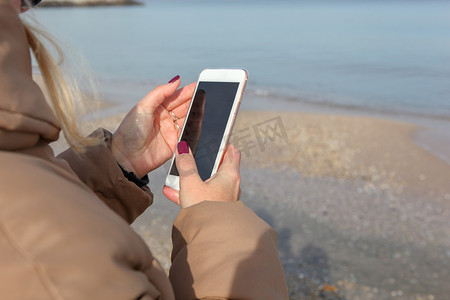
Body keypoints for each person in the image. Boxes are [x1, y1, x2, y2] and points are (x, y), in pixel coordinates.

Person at [0, 0, 289, 298]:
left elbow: (45, 218)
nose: (27, 8)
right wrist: (218, 218)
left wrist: (117, 164)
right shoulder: (35, 260)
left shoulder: (12, 163)